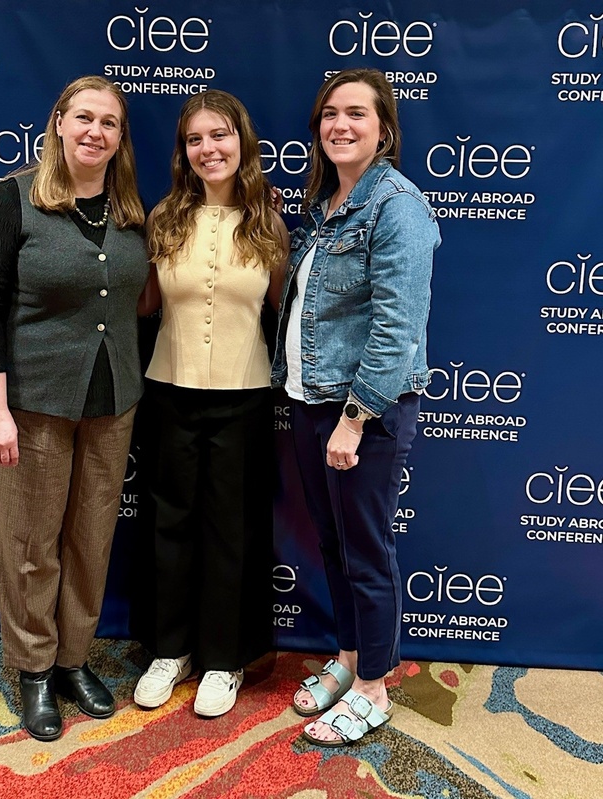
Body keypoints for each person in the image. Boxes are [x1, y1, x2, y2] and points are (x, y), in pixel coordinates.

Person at [0, 75, 148, 741]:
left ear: (120, 137)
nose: (96, 131)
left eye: (110, 122)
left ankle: (73, 659)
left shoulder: (132, 211)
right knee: (30, 543)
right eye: (85, 118)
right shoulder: (13, 199)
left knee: (90, 541)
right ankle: (34, 668)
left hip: (113, 403)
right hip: (34, 404)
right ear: (60, 124)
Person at [271, 68, 440, 746]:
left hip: (361, 412)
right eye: (330, 114)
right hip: (313, 402)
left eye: (357, 114)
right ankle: (347, 660)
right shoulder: (327, 204)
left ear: (384, 129)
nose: (340, 124)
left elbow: (398, 324)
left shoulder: (396, 204)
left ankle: (373, 688)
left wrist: (355, 416)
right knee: (335, 545)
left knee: (366, 552)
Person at [132, 90, 288, 717]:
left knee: (232, 529)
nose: (208, 149)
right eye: (195, 139)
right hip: (168, 391)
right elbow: (142, 305)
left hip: (244, 397)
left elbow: (284, 313)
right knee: (168, 524)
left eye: (219, 135)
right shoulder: (163, 217)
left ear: (241, 142)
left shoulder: (268, 222)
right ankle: (171, 652)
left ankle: (224, 659)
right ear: (184, 151)